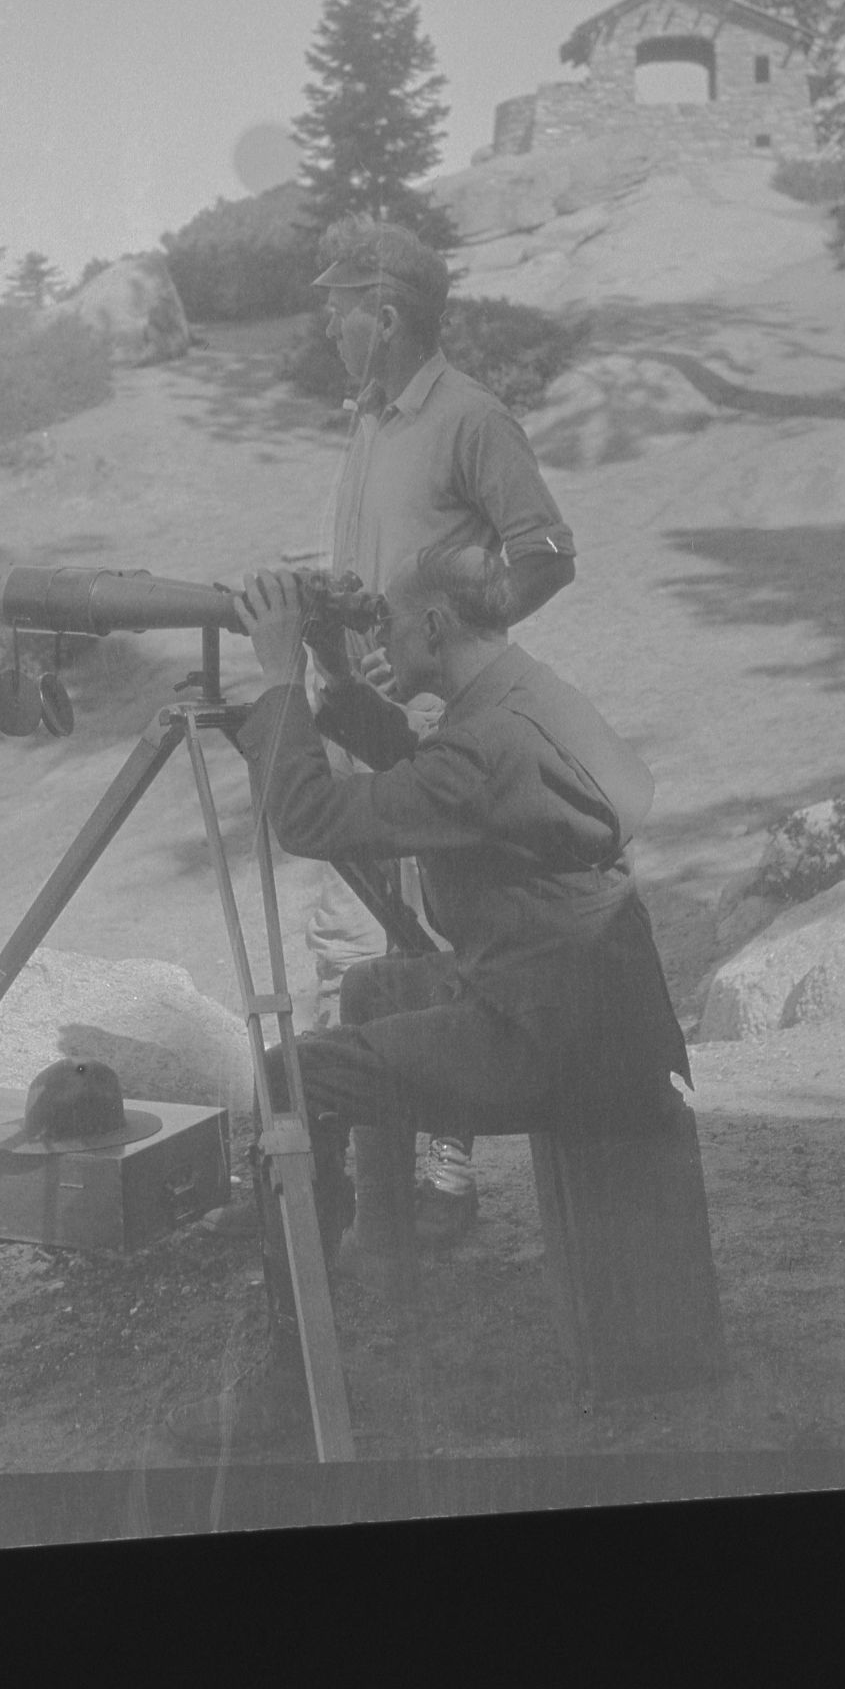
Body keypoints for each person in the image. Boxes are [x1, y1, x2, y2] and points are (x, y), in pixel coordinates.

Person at [166, 548, 713, 1460]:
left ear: (433, 625)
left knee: (288, 1077)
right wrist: (337, 675)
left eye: (388, 622)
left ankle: (289, 1384)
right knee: (374, 986)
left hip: (549, 1041)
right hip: (599, 1010)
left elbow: (309, 819)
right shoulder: (522, 694)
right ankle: (379, 1250)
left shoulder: (486, 744)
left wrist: (280, 677)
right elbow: (434, 769)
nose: (380, 633)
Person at [300, 221, 576, 1233]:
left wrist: (451, 635)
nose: (328, 326)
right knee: (350, 937)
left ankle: (445, 1178)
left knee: (442, 936)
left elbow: (547, 554)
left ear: (386, 317)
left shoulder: (471, 418)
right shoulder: (370, 420)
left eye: (340, 309)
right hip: (357, 716)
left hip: (431, 723)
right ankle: (354, 1190)